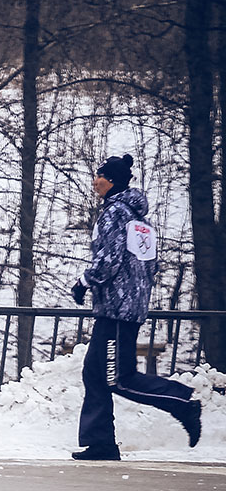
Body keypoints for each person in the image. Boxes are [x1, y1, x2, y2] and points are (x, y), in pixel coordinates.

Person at [70, 154, 202, 461]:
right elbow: (150, 265)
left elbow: (109, 260)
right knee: (94, 373)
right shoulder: (140, 220)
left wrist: (83, 282)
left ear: (111, 181)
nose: (95, 181)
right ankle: (100, 443)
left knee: (119, 378)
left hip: (116, 310)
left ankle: (183, 403)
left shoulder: (114, 213)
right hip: (127, 307)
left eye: (99, 176)